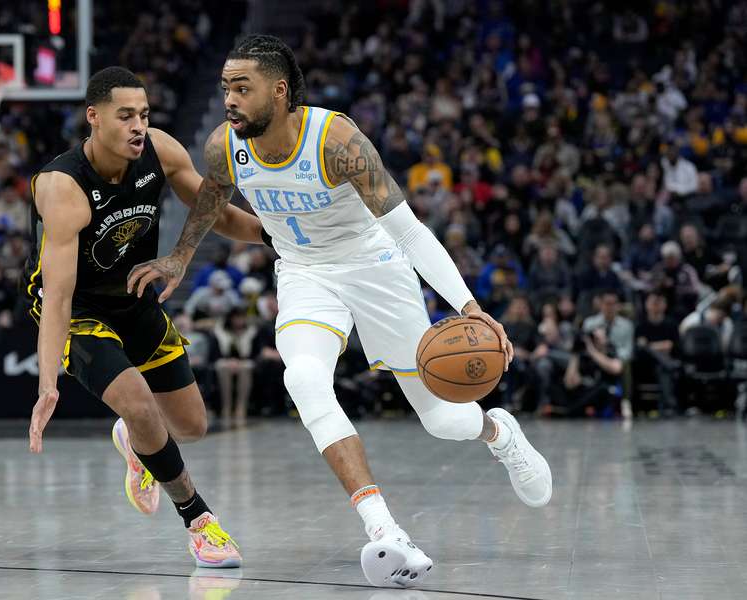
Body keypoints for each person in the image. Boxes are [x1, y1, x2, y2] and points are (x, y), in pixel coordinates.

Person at [127, 35, 552, 589]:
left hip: (374, 266)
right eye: (225, 87)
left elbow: (410, 232)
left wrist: (470, 307)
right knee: (302, 376)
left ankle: (499, 433)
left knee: (445, 421)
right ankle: (386, 533)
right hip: (304, 273)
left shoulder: (337, 140)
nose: (229, 98)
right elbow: (213, 197)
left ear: (279, 91)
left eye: (241, 87)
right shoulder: (223, 144)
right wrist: (182, 255)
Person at [23, 66, 267, 568]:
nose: (139, 125)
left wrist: (276, 237)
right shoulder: (63, 186)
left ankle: (136, 443)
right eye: (125, 115)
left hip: (133, 296)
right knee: (136, 399)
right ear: (94, 117)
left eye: (144, 114)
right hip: (77, 309)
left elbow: (215, 212)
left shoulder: (160, 150)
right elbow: (60, 293)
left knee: (192, 425)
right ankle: (200, 521)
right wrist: (49, 382)